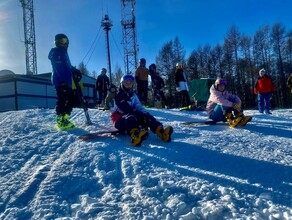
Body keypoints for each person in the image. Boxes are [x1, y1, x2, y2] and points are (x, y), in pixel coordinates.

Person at [110, 74, 173, 146]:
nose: (128, 84)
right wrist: (138, 113)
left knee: (147, 116)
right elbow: (125, 108)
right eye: (126, 83)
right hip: (119, 119)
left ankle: (161, 132)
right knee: (130, 117)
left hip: (133, 116)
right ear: (122, 84)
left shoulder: (134, 96)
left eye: (130, 83)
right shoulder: (118, 96)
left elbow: (138, 106)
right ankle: (135, 136)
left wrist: (144, 115)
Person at [48, 33, 77, 129]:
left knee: (72, 100)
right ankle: (60, 120)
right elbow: (58, 67)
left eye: (65, 41)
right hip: (60, 81)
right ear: (56, 43)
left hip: (67, 81)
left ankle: (64, 118)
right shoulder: (56, 52)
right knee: (62, 100)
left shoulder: (64, 53)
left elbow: (67, 66)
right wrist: (63, 81)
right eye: (61, 41)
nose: (64, 44)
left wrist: (75, 70)